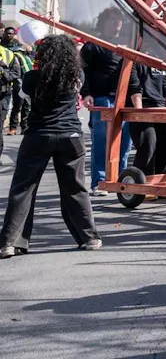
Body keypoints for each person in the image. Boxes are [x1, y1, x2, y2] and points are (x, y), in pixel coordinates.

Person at [0, 34, 102, 256]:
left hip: (38, 135)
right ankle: (89, 237)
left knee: (23, 189)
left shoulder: (32, 78)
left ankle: (10, 241)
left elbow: (25, 100)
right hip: (71, 136)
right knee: (75, 188)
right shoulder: (77, 76)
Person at [81, 9, 136, 194]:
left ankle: (121, 178)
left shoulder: (126, 46)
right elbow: (84, 71)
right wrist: (86, 93)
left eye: (119, 20)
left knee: (125, 142)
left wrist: (135, 98)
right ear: (103, 22)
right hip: (102, 98)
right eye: (112, 20)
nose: (117, 23)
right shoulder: (92, 45)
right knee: (101, 140)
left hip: (124, 99)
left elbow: (132, 72)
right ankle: (100, 181)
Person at [127, 60, 166, 176]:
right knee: (148, 144)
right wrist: (139, 114)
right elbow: (134, 88)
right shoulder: (133, 60)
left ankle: (164, 185)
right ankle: (142, 185)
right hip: (143, 107)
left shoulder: (158, 61)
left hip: (161, 108)